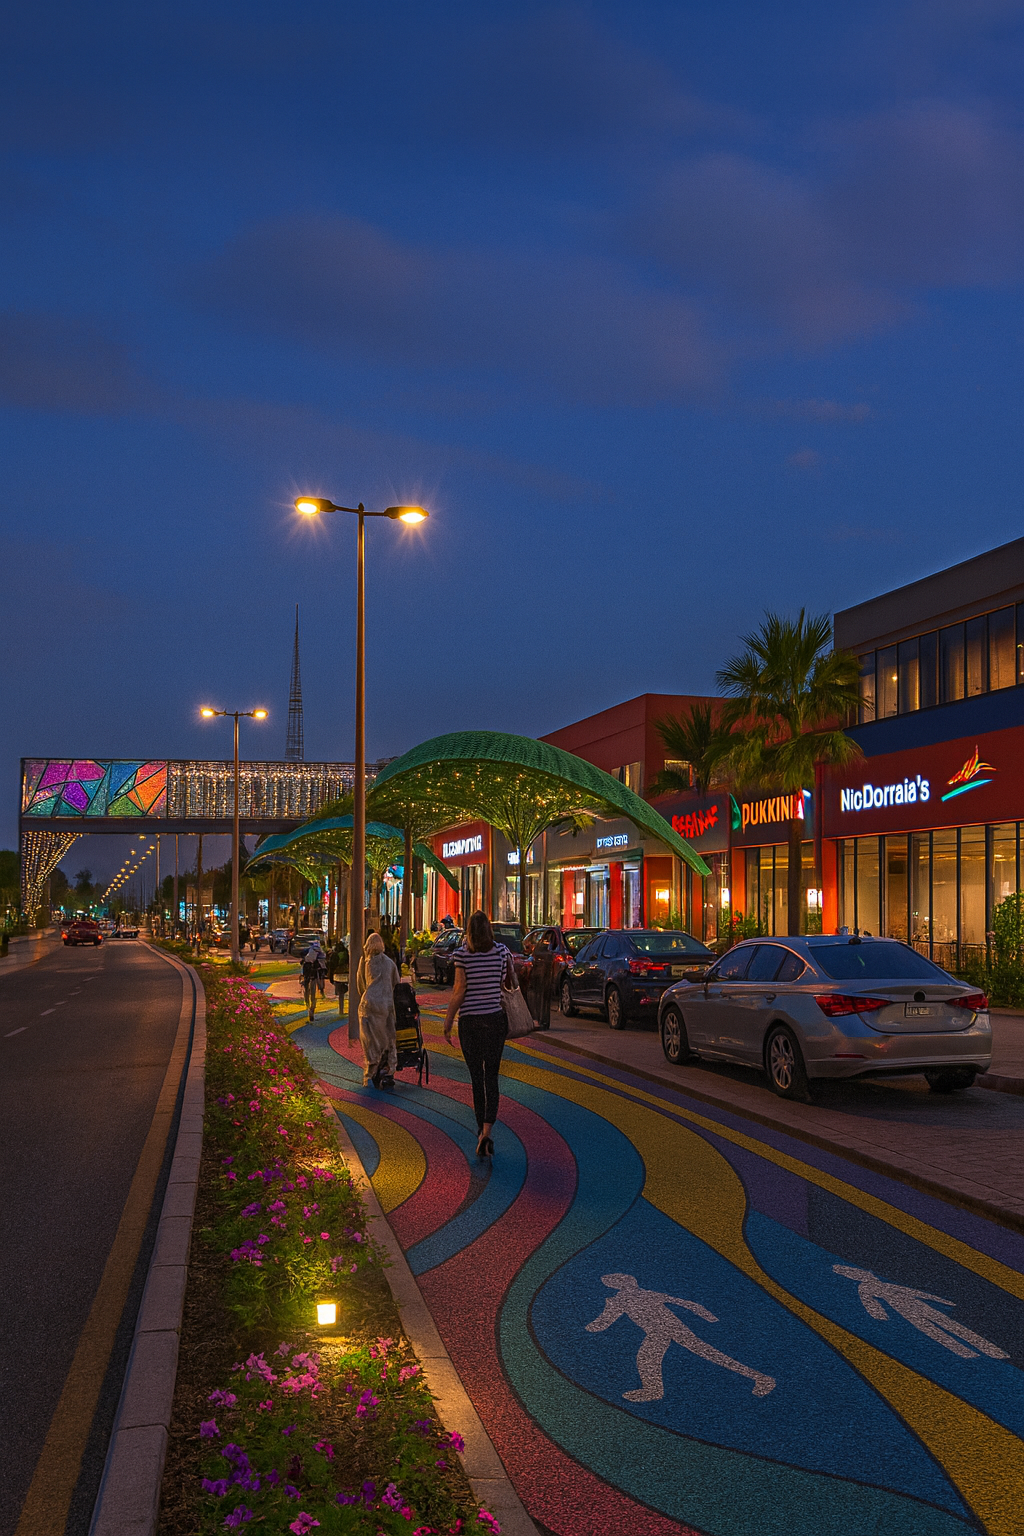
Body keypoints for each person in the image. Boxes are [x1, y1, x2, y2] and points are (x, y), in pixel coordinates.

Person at [443, 910, 517, 1159]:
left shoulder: (462, 955)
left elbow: (459, 990)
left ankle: (479, 1132)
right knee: (491, 1077)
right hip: (495, 1020)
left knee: (476, 1078)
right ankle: (487, 1131)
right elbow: (509, 982)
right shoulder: (502, 952)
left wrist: (448, 1018)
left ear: (469, 931)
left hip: (470, 1023)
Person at [356, 932, 399, 1087]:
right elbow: (396, 984)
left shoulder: (364, 962)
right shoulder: (390, 963)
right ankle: (389, 1069)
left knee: (369, 1040)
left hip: (368, 1005)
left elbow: (360, 986)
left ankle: (372, 1068)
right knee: (388, 1038)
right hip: (386, 1006)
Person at [527, 935, 555, 1030]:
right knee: (543, 1000)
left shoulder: (538, 957)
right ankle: (542, 1021)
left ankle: (539, 1021)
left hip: (540, 982)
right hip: (544, 982)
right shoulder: (547, 957)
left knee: (539, 999)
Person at [301, 938, 327, 1022]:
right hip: (315, 976)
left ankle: (308, 1006)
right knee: (312, 993)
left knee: (308, 991)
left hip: (308, 976)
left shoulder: (308, 954)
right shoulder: (320, 955)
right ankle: (311, 1008)